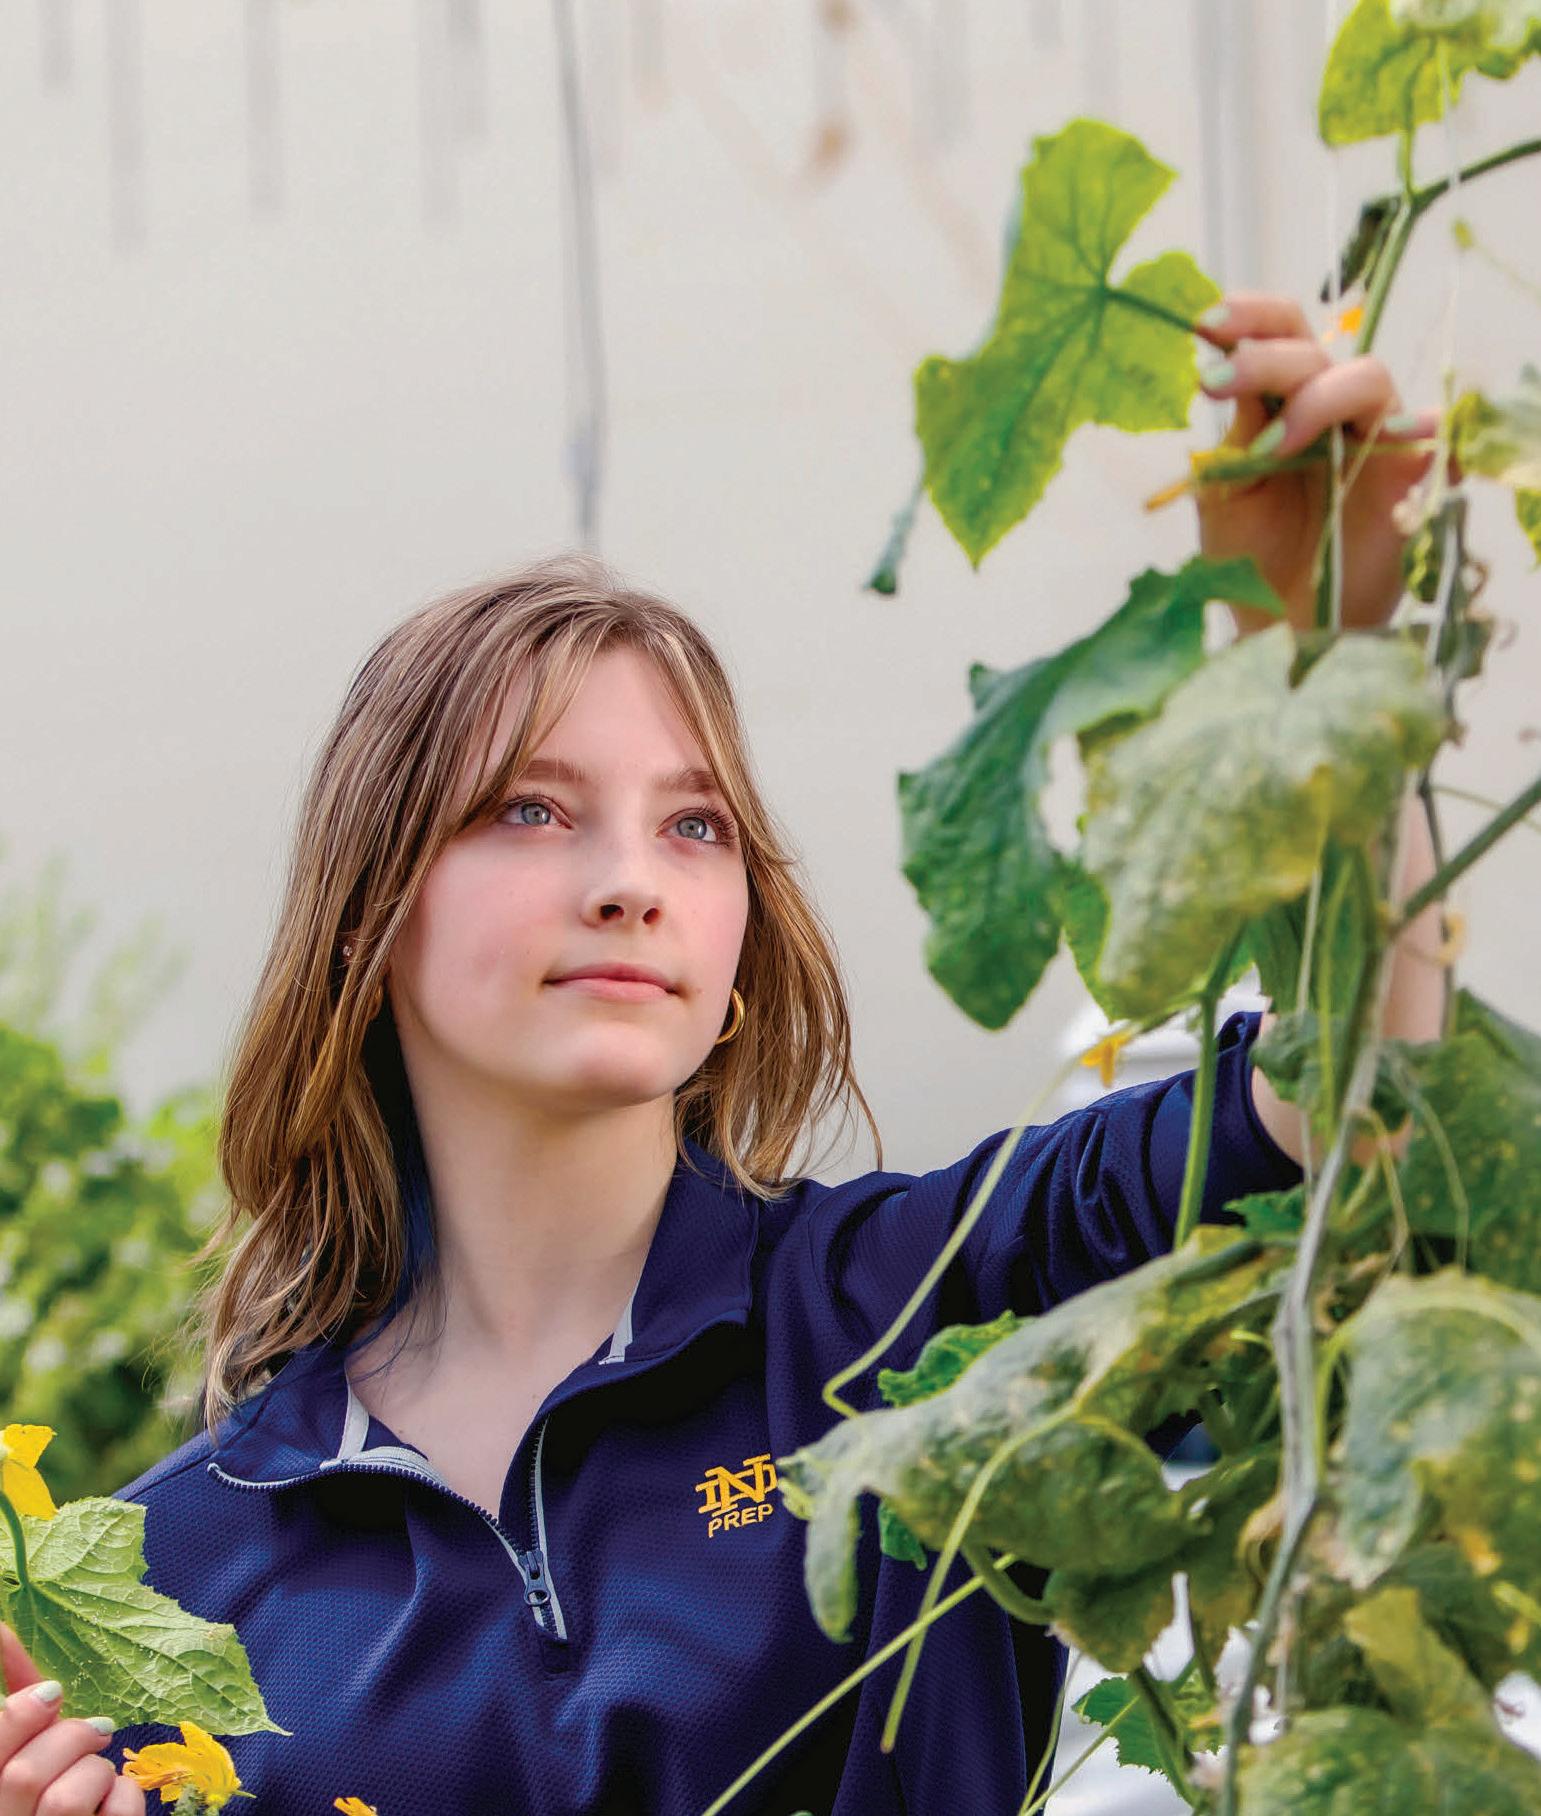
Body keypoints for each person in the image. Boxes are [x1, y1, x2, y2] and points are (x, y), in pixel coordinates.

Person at [0, 293, 1447, 1815]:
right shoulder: (172, 1580)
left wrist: (1325, 656)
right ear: (373, 911)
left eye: (694, 826)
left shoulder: (924, 1306)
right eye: (531, 809)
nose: (632, 880)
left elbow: (1344, 1097)